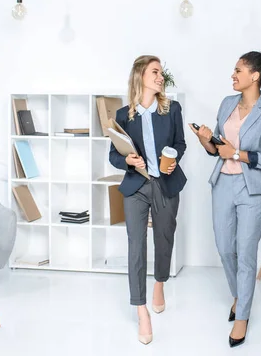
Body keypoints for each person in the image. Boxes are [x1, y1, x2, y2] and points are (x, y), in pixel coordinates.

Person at [190, 47, 261, 348]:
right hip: (222, 184)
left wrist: (237, 153)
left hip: (252, 190)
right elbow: (218, 150)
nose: (233, 75)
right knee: (224, 248)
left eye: (238, 71)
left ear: (254, 76)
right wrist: (207, 141)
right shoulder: (227, 103)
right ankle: (239, 296)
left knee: (245, 253)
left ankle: (242, 315)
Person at [109, 55, 187, 345]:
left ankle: (159, 283)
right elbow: (113, 155)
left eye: (161, 73)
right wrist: (127, 160)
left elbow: (180, 143)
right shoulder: (122, 116)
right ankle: (141, 310)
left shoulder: (172, 109)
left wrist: (173, 159)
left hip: (166, 184)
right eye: (155, 72)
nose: (160, 77)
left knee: (165, 237)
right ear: (140, 75)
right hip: (136, 187)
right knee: (136, 247)